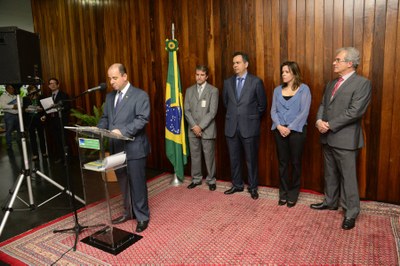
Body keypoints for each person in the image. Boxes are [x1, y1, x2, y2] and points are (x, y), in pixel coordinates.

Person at [310, 47, 372, 230]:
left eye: (338, 60)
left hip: (345, 139)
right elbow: (323, 104)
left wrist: (329, 124)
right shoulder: (332, 83)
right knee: (330, 173)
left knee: (348, 177)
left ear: (350, 63)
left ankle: (351, 212)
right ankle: (330, 201)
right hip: (327, 137)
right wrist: (319, 120)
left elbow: (355, 112)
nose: (334, 63)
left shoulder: (362, 84)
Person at [97, 63, 151, 233]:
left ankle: (142, 216)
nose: (111, 82)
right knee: (123, 181)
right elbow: (106, 117)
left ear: (124, 76)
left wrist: (123, 131)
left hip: (134, 147)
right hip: (117, 147)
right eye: (109, 78)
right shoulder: (110, 97)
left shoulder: (140, 95)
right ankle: (128, 212)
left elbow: (142, 119)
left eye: (114, 78)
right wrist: (99, 129)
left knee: (137, 183)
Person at [223, 51, 267, 200]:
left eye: (238, 62)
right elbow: (226, 103)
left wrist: (250, 118)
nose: (235, 65)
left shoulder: (255, 82)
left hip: (249, 127)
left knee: (251, 159)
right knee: (234, 158)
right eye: (233, 63)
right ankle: (237, 184)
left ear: (246, 64)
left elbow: (262, 105)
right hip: (231, 127)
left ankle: (253, 187)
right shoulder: (227, 82)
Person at [271, 61, 311, 208]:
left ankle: (293, 193)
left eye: (286, 72)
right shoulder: (277, 90)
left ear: (294, 73)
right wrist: (280, 126)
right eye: (282, 72)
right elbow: (273, 111)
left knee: (295, 163)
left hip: (297, 132)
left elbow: (304, 112)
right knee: (282, 163)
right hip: (279, 131)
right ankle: (283, 192)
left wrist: (290, 127)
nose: (284, 74)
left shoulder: (304, 89)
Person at [184, 65, 219, 191]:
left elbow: (212, 112)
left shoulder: (213, 90)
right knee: (195, 156)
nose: (199, 77)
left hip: (207, 129)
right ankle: (196, 179)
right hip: (192, 130)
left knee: (209, 156)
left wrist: (200, 127)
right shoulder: (189, 90)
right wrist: (194, 126)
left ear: (206, 76)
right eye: (197, 74)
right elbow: (186, 111)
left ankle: (211, 180)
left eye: (202, 75)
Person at [42, 78, 70, 163]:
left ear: (58, 85)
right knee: (56, 141)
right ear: (48, 86)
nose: (52, 85)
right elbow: (47, 109)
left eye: (54, 83)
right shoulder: (48, 97)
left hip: (61, 121)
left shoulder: (64, 95)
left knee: (64, 140)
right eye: (50, 84)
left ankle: (67, 159)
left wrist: (58, 107)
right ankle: (60, 157)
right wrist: (44, 116)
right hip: (52, 122)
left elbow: (68, 107)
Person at [23, 85, 47, 160]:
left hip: (39, 119)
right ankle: (35, 154)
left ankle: (44, 152)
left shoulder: (41, 97)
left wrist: (41, 110)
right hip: (30, 120)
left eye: (34, 90)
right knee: (32, 137)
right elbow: (24, 109)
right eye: (31, 90)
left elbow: (45, 108)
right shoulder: (25, 98)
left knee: (41, 136)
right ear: (28, 92)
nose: (32, 92)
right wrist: (26, 110)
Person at [0, 84, 20, 150]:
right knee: (9, 131)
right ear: (7, 89)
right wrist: (12, 106)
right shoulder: (3, 97)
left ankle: (20, 142)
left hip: (17, 115)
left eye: (13, 88)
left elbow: (21, 104)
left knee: (19, 130)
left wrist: (18, 106)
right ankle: (9, 145)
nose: (12, 89)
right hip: (9, 115)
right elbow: (3, 106)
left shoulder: (16, 96)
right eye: (11, 88)